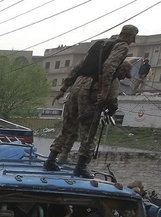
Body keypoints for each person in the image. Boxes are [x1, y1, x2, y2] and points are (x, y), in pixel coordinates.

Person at [43, 25, 137, 177]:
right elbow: (109, 66)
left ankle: (51, 160)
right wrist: (104, 91)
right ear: (132, 37)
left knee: (68, 127)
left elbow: (79, 66)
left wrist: (64, 88)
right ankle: (80, 166)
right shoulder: (122, 47)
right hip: (91, 89)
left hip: (76, 86)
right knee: (89, 130)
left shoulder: (101, 44)